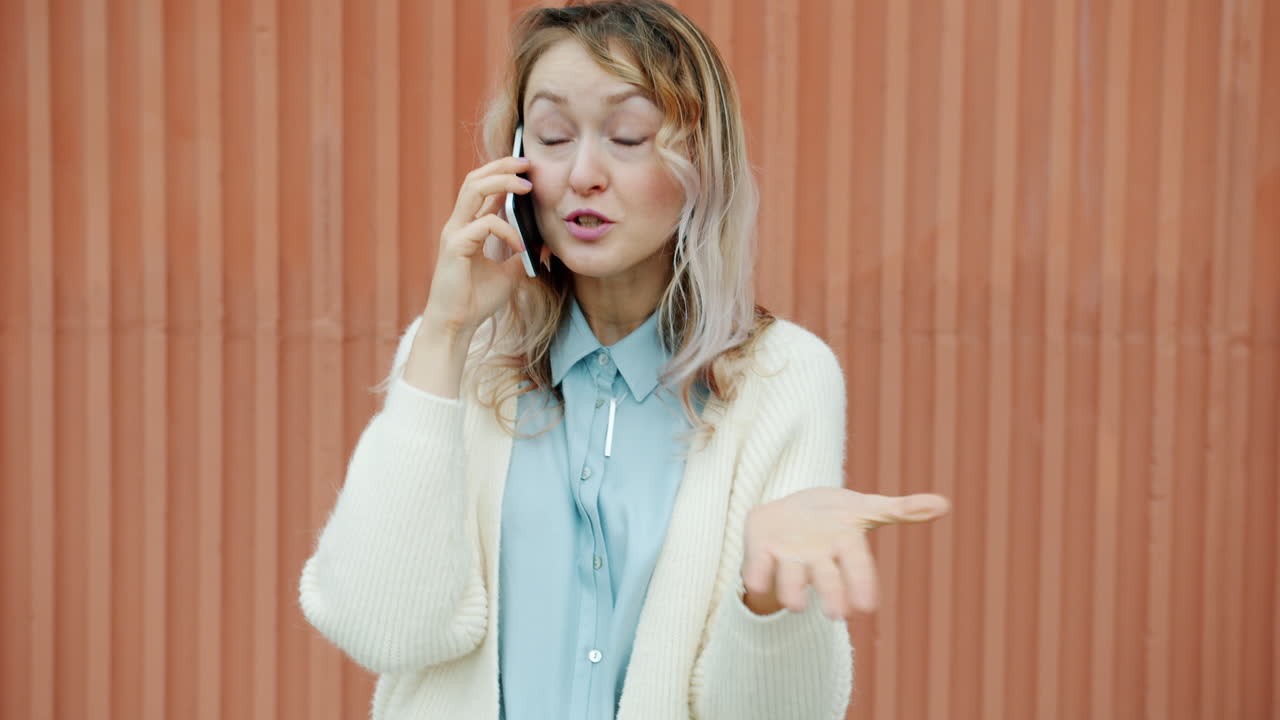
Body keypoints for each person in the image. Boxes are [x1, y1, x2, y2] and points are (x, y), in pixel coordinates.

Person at [299, 2, 950, 718]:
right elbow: (381, 629)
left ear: (702, 159)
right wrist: (445, 331)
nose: (582, 173)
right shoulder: (461, 355)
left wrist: (763, 598)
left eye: (629, 135)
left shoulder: (784, 378)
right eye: (551, 136)